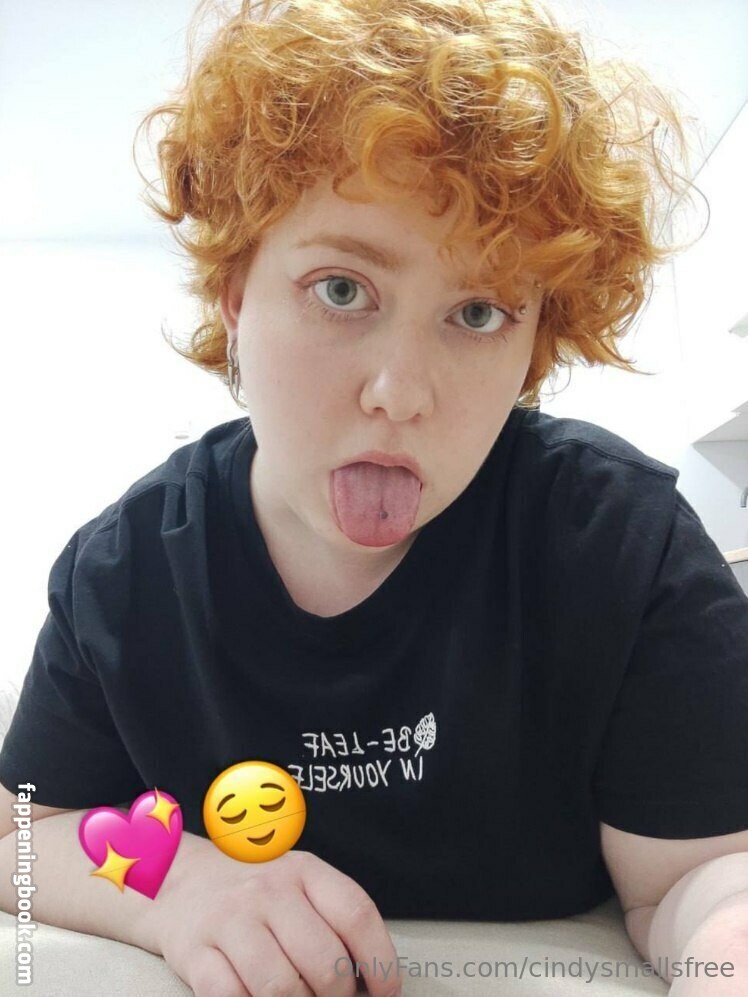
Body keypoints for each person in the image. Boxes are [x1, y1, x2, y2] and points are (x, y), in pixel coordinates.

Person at [1, 1, 747, 995]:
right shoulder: (124, 574)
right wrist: (173, 883)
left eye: (477, 313)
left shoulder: (624, 550)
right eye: (341, 289)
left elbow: (698, 875)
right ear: (236, 296)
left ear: (535, 343)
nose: (400, 392)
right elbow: (22, 834)